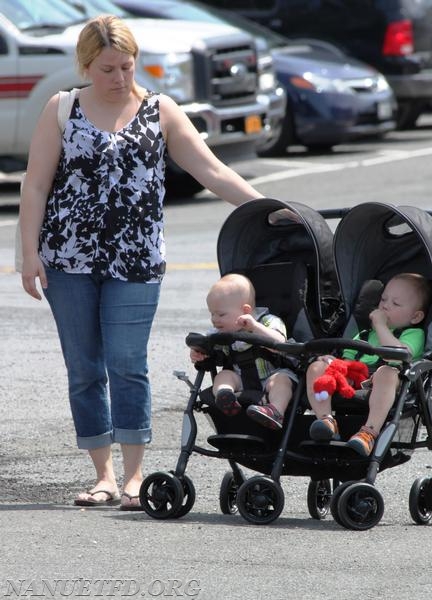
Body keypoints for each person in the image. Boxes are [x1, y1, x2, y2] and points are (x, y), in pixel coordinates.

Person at [19, 15, 264, 510]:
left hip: (137, 262)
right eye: (108, 69)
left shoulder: (161, 110)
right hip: (68, 260)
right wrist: (28, 254)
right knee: (84, 368)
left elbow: (211, 169)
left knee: (127, 364)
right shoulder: (62, 107)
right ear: (87, 65)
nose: (119, 78)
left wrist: (268, 209)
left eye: (127, 67)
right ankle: (102, 476)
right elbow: (35, 184)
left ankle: (133, 478)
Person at [306, 273, 432, 456]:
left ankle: (368, 433)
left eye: (395, 304)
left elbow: (399, 356)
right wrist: (333, 364)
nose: (385, 305)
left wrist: (380, 325)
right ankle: (326, 421)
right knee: (316, 367)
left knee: (386, 372)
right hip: (355, 377)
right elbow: (347, 358)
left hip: (388, 382)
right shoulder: (365, 334)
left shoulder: (413, 333)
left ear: (415, 316)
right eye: (383, 299)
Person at [189, 273, 296, 430]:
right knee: (223, 376)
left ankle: (275, 411)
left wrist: (254, 327)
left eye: (221, 314)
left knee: (282, 381)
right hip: (240, 378)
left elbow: (279, 343)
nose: (214, 319)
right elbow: (208, 350)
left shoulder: (268, 321)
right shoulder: (218, 333)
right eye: (212, 313)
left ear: (245, 310)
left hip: (272, 374)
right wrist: (198, 354)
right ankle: (225, 396)